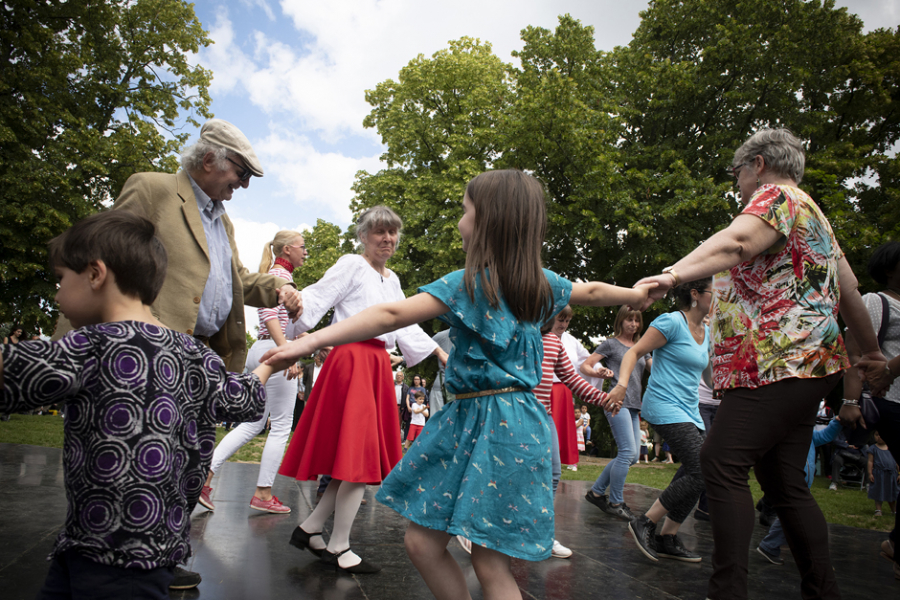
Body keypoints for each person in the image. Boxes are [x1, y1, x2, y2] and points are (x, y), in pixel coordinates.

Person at [262, 169, 652, 600]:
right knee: (423, 542)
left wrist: (308, 341)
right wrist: (635, 294)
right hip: (490, 422)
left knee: (487, 560)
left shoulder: (472, 283)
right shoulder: (537, 285)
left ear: (486, 222)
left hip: (496, 425)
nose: (459, 222)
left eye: (465, 212)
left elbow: (390, 316)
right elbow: (594, 291)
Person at [635, 129, 889, 599]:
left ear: (757, 163)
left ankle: (726, 591)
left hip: (776, 362)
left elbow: (735, 245)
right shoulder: (815, 215)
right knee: (784, 481)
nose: (737, 186)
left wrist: (671, 275)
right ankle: (823, 590)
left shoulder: (778, 197)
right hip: (811, 366)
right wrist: (870, 352)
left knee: (720, 460)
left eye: (736, 174)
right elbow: (849, 291)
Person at [0, 211, 271, 598]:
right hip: (153, 547)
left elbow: (15, 371)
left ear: (95, 274)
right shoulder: (196, 353)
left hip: (104, 549)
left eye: (61, 279)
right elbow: (241, 400)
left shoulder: (90, 345)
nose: (57, 296)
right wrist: (266, 367)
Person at [275, 205, 446, 574]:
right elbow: (318, 295)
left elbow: (403, 321)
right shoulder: (353, 264)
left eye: (392, 232)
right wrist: (295, 302)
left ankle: (311, 528)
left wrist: (437, 350)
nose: (387, 239)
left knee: (352, 458)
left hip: (375, 365)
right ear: (364, 236)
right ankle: (338, 546)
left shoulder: (393, 278)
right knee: (358, 459)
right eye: (379, 232)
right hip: (353, 361)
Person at [200, 230, 309, 514]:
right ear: (287, 250)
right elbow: (270, 315)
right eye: (302, 246)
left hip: (261, 349)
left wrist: (314, 343)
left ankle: (205, 476)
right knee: (282, 426)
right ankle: (262, 493)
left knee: (253, 423)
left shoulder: (278, 275)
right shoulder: (280, 278)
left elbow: (289, 322)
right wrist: (287, 350)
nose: (306, 251)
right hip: (273, 351)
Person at [610, 278, 712, 563]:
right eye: (715, 292)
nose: (720, 298)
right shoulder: (671, 322)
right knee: (702, 468)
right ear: (695, 294)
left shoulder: (707, 330)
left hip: (690, 411)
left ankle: (668, 536)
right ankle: (645, 521)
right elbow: (633, 352)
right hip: (663, 406)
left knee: (700, 471)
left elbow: (710, 378)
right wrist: (620, 385)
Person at [533, 320, 617, 559]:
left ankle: (543, 536)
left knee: (552, 474)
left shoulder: (553, 341)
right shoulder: (513, 331)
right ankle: (485, 532)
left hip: (544, 414)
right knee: (512, 476)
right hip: (512, 414)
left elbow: (573, 378)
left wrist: (604, 398)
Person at [842, 240, 900, 580]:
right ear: (890, 268)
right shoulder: (876, 303)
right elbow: (854, 355)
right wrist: (850, 402)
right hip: (889, 401)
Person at [582, 305, 650, 521]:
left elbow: (653, 367)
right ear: (620, 320)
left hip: (633, 405)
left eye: (637, 320)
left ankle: (596, 492)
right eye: (629, 320)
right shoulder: (611, 344)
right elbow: (586, 366)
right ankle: (616, 502)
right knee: (628, 452)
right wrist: (599, 371)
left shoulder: (641, 346)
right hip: (615, 402)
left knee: (631, 457)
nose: (634, 324)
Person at [756, 416, 842, 566]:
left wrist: (838, 421)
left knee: (790, 517)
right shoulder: (784, 435)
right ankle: (771, 545)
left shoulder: (809, 435)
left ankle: (770, 545)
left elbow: (826, 435)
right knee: (795, 517)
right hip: (791, 484)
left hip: (801, 487)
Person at [546, 307, 593, 471]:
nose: (564, 325)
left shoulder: (571, 340)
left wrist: (597, 370)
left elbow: (587, 361)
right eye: (560, 320)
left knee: (560, 431)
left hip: (564, 390)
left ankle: (557, 464)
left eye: (567, 321)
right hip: (544, 389)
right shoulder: (538, 336)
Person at [294, 346, 332, 432]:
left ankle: (318, 428)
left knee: (319, 411)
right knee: (307, 411)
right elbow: (304, 380)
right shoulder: (308, 367)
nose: (319, 359)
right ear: (314, 358)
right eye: (317, 357)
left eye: (320, 358)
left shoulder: (326, 366)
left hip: (321, 393)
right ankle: (307, 429)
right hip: (309, 392)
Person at [867, 431, 899, 517]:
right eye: (877, 435)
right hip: (878, 474)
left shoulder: (892, 447)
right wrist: (870, 473)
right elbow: (870, 461)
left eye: (882, 435)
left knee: (892, 492)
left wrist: (899, 473)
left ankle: (894, 510)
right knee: (878, 491)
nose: (879, 437)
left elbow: (897, 462)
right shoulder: (873, 448)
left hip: (891, 474)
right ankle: (878, 510)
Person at [828, 424, 869, 490]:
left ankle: (868, 484)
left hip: (857, 456)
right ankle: (834, 483)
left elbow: (863, 443)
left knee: (867, 462)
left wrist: (856, 443)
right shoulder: (840, 430)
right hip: (843, 455)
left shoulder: (860, 432)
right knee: (837, 459)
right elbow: (835, 441)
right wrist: (847, 445)